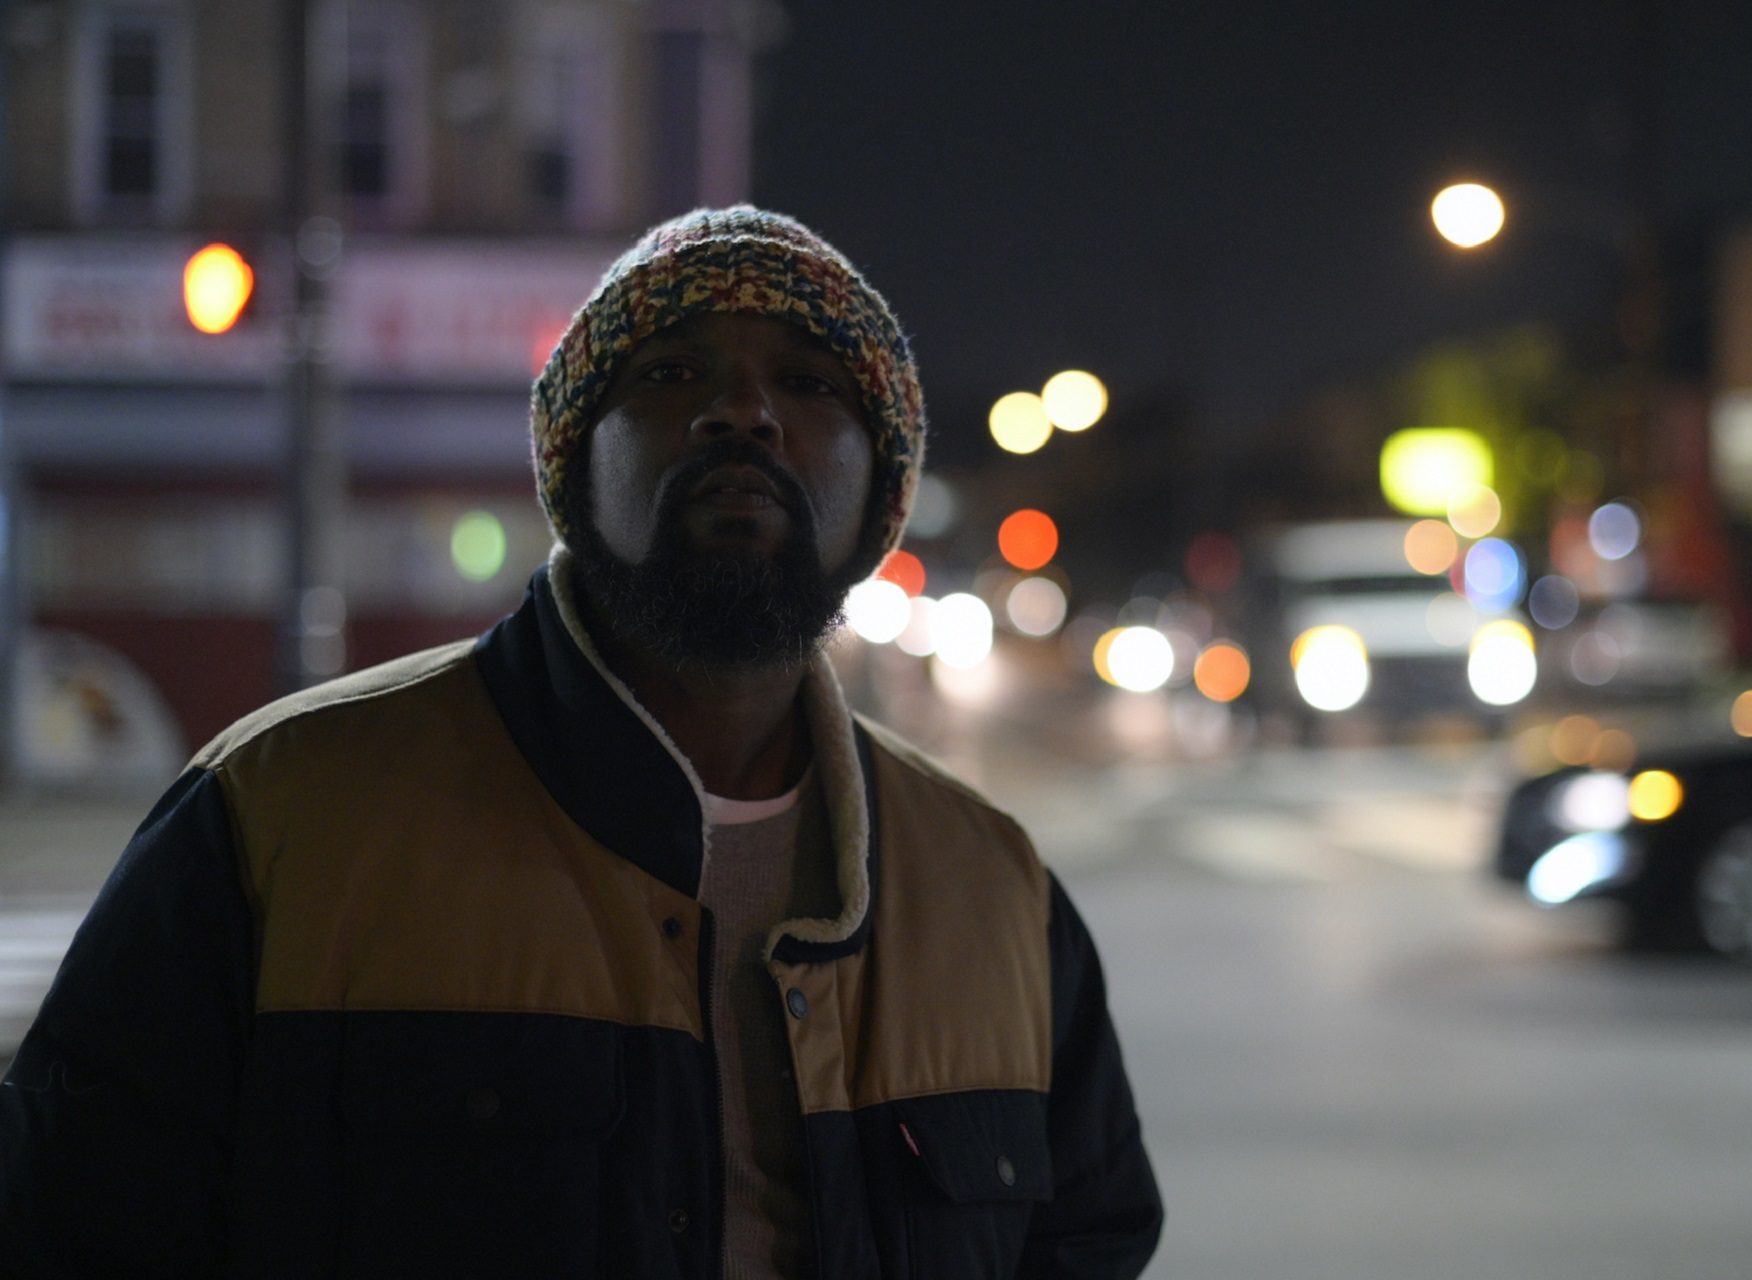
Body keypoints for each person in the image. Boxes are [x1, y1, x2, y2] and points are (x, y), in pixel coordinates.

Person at [0, 206, 1162, 1278]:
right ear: (574, 461)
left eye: (807, 381)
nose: (741, 410)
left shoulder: (996, 889)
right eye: (670, 372)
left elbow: (1086, 1239)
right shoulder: (274, 816)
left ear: (882, 493)